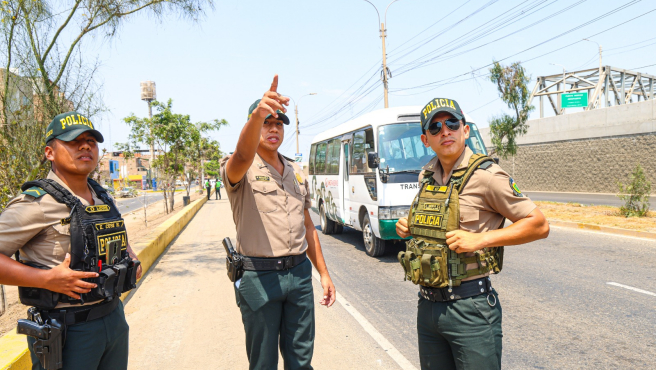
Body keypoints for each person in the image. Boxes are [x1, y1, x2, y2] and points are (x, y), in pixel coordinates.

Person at [395, 98, 550, 370]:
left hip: (471, 309)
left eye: (452, 123)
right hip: (428, 307)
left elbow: (538, 224)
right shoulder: (426, 177)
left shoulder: (487, 175)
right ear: (425, 139)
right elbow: (434, 228)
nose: (445, 131)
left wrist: (482, 239)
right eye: (436, 127)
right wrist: (408, 228)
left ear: (464, 131)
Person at [0, 111, 142, 370]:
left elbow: (110, 233)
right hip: (67, 331)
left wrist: (130, 257)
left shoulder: (101, 196)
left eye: (91, 140)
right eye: (73, 141)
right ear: (49, 152)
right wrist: (45, 279)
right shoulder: (37, 203)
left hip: (113, 317)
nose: (85, 145)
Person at [220, 75, 336, 370]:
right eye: (265, 122)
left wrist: (323, 273)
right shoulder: (239, 168)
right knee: (263, 363)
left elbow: (308, 226)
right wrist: (258, 112)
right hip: (259, 278)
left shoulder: (296, 170)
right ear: (252, 126)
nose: (273, 128)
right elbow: (244, 153)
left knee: (301, 361)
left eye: (278, 123)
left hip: (298, 274)